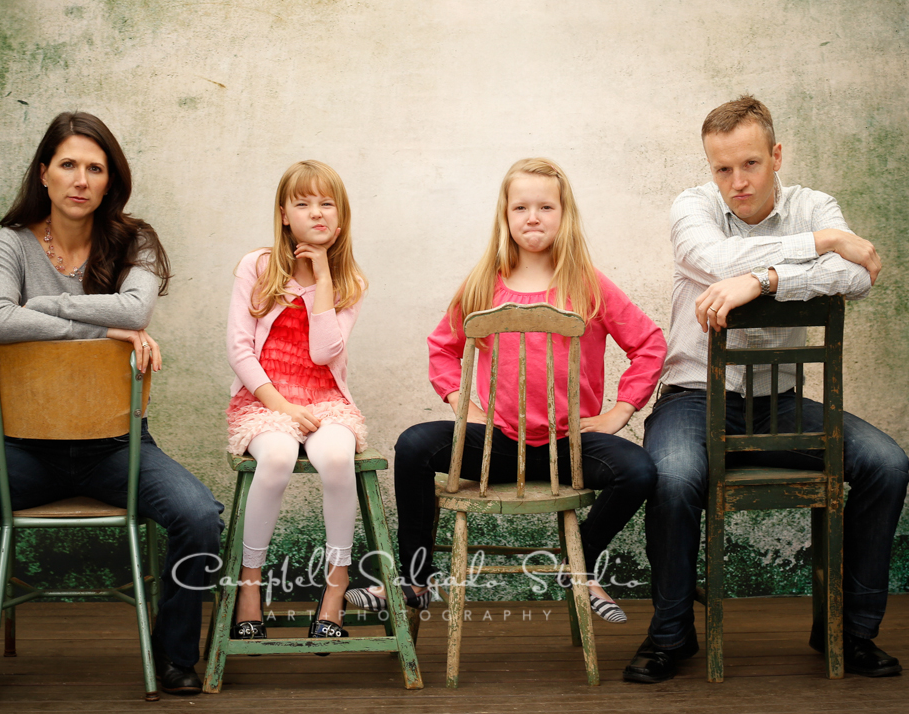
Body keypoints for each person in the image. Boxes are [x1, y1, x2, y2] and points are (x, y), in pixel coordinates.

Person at [0, 112, 224, 697]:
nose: (81, 179)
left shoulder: (138, 241)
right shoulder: (12, 242)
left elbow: (134, 312)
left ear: (110, 181)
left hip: (117, 447)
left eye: (95, 168)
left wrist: (49, 310)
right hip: (27, 452)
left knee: (199, 515)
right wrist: (100, 332)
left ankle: (174, 656)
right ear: (45, 173)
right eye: (69, 164)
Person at [623, 96, 909, 683]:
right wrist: (821, 244)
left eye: (750, 164)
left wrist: (765, 278)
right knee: (673, 478)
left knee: (888, 462)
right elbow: (710, 255)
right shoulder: (693, 207)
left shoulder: (814, 206)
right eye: (722, 168)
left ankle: (852, 632)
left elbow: (858, 276)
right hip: (691, 399)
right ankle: (671, 636)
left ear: (776, 156)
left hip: (779, 406)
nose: (737, 182)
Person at [345, 158, 666, 623]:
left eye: (545, 207)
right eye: (521, 207)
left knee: (638, 469)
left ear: (565, 214)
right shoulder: (482, 285)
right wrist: (463, 403)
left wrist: (621, 409)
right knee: (414, 444)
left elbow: (649, 343)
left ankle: (580, 565)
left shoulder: (588, 284)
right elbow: (442, 348)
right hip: (497, 442)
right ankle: (414, 579)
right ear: (506, 215)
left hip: (569, 445)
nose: (532, 217)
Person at [226, 160, 368, 645]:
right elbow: (239, 348)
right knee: (280, 458)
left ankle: (336, 587)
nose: (316, 212)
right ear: (284, 214)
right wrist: (281, 407)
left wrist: (323, 276)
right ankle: (249, 588)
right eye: (303, 203)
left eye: (327, 203)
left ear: (341, 217)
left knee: (334, 456)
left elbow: (323, 353)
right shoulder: (258, 267)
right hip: (265, 400)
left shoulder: (351, 283)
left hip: (326, 400)